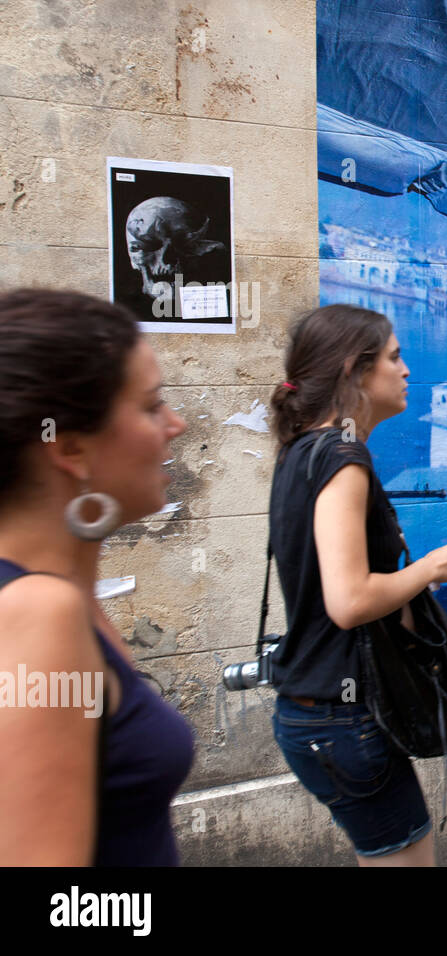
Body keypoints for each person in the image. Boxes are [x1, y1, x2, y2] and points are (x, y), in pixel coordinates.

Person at [267, 303, 447, 867]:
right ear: (353, 372)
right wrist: (429, 568)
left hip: (317, 711)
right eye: (393, 357)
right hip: (345, 717)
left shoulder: (300, 454)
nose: (405, 370)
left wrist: (406, 586)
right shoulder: (343, 457)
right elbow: (349, 601)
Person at [0, 288, 193, 865]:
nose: (176, 425)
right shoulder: (38, 614)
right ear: (73, 447)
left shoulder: (60, 599)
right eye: (152, 406)